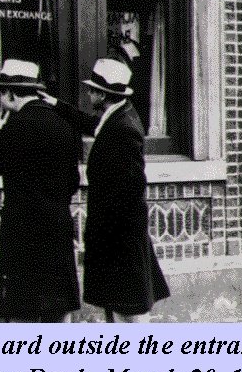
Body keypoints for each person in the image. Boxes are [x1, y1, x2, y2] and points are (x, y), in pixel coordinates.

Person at [46, 58, 170, 322]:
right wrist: (56, 104)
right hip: (120, 233)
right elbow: (91, 125)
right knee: (120, 304)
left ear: (102, 94)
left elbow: (131, 188)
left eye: (92, 90)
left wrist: (112, 232)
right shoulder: (117, 116)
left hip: (121, 235)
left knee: (129, 310)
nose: (88, 93)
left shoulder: (123, 130)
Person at [0, 59, 81, 322]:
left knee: (22, 310)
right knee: (58, 309)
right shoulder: (64, 125)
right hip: (57, 226)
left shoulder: (12, 127)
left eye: (2, 93)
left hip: (22, 231)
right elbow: (73, 180)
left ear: (11, 93)